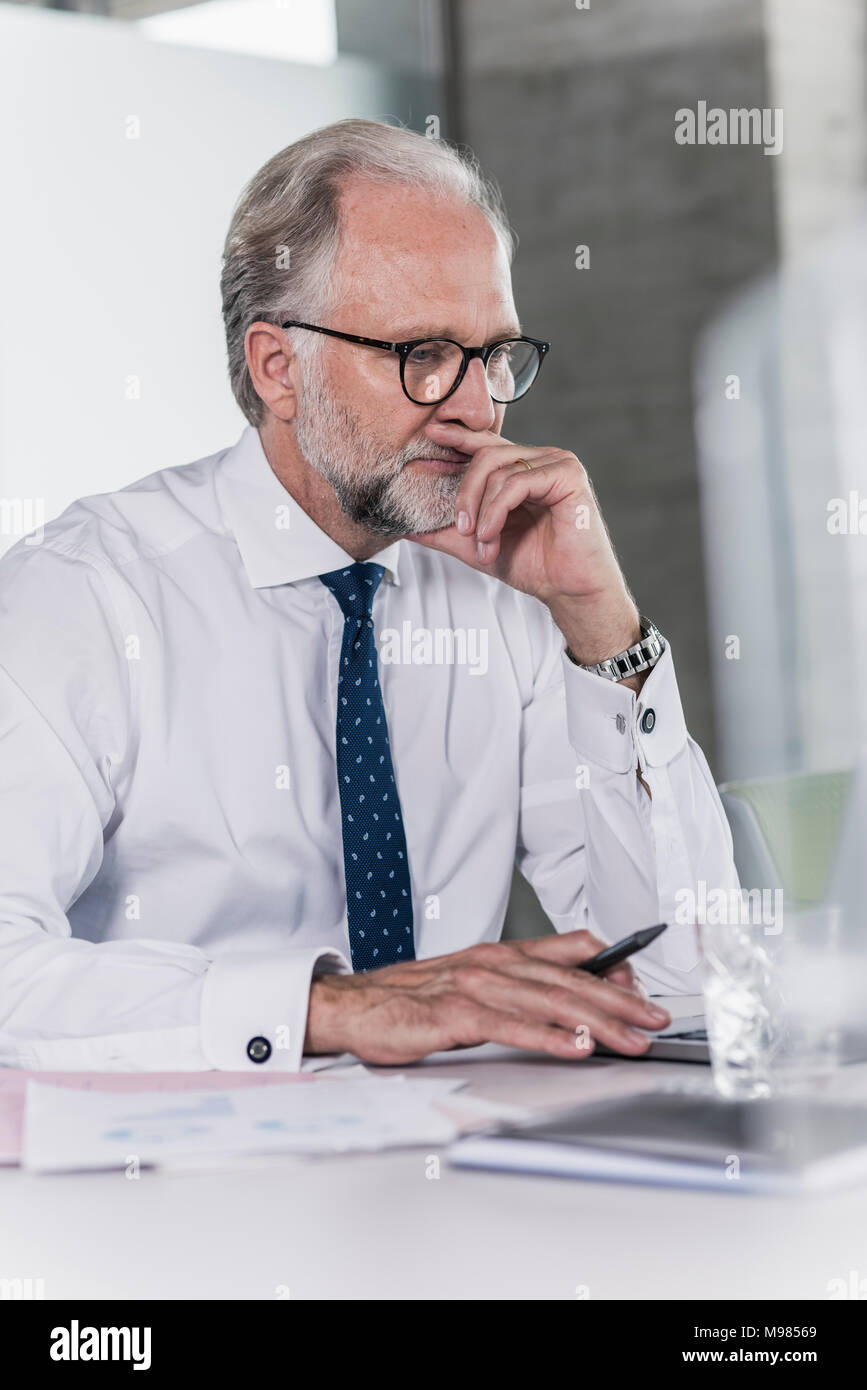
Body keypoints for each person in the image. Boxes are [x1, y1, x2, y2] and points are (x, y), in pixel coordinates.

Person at [0, 119, 738, 1073]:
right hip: (174, 1187)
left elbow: (683, 980)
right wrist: (329, 1010)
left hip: (464, 1175)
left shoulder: (505, 587)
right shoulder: (84, 598)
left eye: (494, 355)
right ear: (278, 368)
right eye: (421, 353)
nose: (475, 407)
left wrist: (600, 625)